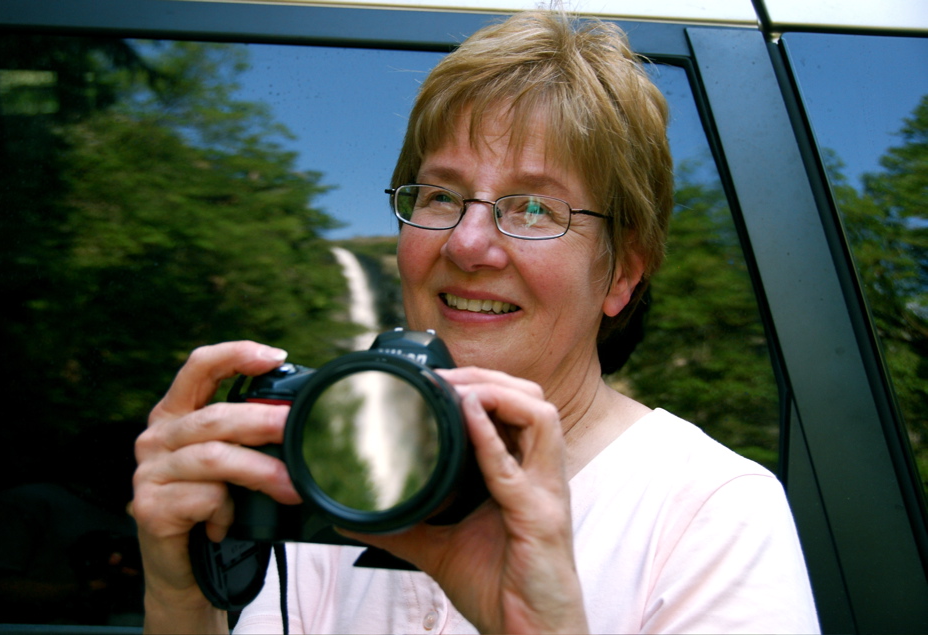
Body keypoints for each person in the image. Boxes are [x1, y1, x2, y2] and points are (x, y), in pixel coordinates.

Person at [131, 10, 819, 634]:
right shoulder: (339, 461)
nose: (466, 245)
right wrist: (182, 598)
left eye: (533, 209)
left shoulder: (710, 514)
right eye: (440, 195)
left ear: (622, 274)